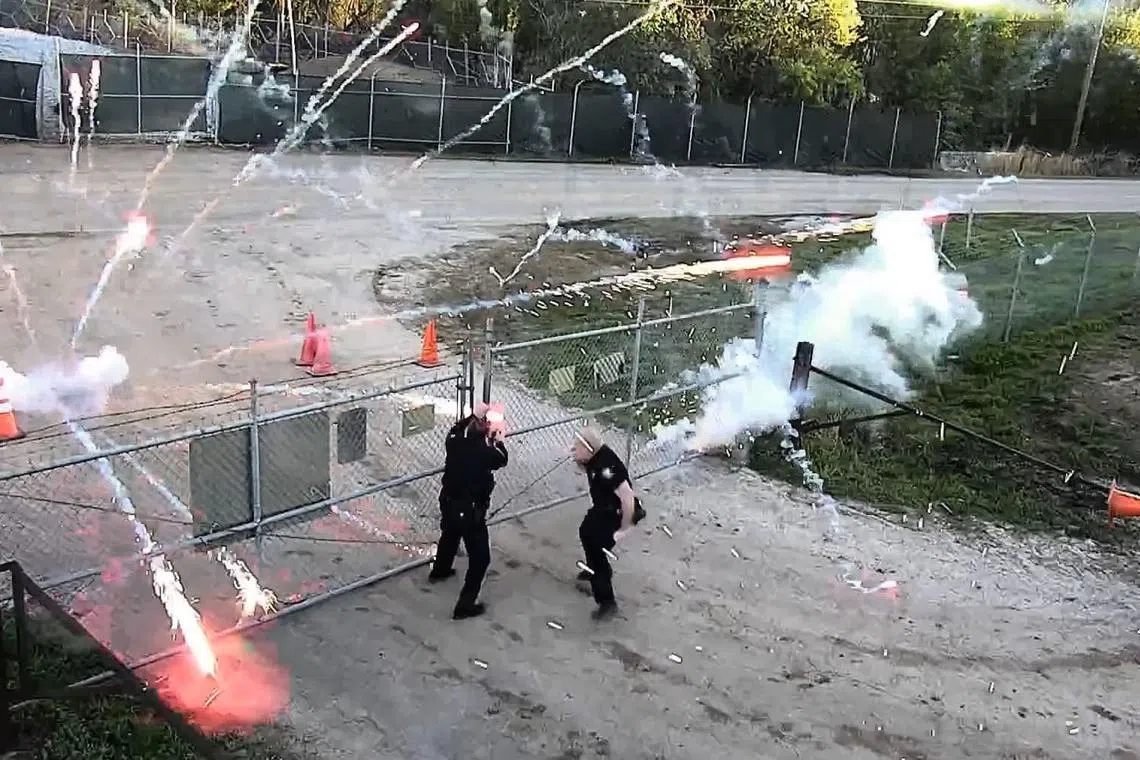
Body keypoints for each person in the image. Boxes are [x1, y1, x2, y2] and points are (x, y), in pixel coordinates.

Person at [428, 401, 508, 620]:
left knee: (450, 534)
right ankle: (465, 604)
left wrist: (474, 418)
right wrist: (498, 440)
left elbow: (457, 429)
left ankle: (440, 570)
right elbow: (502, 459)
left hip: (449, 499)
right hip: (470, 508)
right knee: (481, 558)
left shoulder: (455, 438)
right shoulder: (484, 450)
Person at [571, 426, 640, 620]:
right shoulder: (593, 458)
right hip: (602, 508)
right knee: (586, 531)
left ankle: (607, 601)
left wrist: (625, 527)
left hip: (616, 512)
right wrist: (578, 459)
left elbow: (628, 498)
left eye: (577, 448)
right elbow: (586, 467)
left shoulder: (607, 467)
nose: (573, 450)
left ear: (589, 448)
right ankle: (593, 568)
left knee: (597, 548)